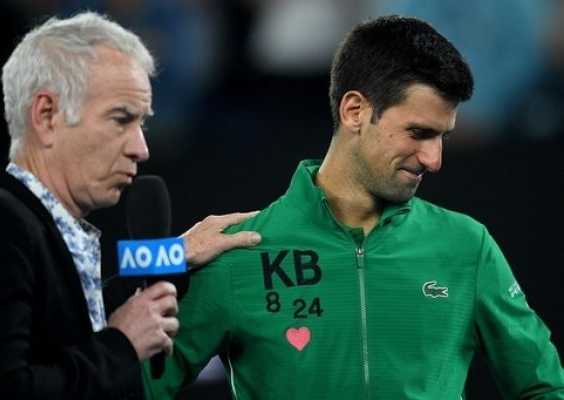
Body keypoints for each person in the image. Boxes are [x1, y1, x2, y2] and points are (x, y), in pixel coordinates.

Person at [144, 15, 564, 399]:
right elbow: (132, 385)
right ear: (355, 111)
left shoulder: (468, 247)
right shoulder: (237, 252)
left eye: (443, 137)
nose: (434, 159)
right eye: (418, 132)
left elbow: (542, 387)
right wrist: (156, 260)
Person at [0, 11, 260, 400]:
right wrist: (122, 343)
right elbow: (1, 390)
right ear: (46, 116)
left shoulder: (32, 223)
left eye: (142, 124)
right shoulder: (0, 223)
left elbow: (67, 331)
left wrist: (174, 255)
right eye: (120, 120)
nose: (141, 148)